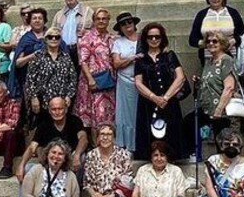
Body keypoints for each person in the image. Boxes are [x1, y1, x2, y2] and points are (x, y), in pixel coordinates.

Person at [134, 22, 188, 161]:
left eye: (157, 37)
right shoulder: (141, 60)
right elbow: (138, 83)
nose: (153, 40)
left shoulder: (169, 56)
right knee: (150, 135)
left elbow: (180, 77)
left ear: (162, 38)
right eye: (150, 37)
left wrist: (166, 97)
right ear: (145, 39)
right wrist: (154, 97)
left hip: (169, 103)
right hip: (148, 104)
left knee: (171, 133)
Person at [188, 0, 244, 66]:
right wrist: (208, 43)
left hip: (231, 58)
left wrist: (233, 41)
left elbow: (243, 34)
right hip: (208, 59)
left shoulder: (232, 13)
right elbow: (192, 39)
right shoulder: (201, 15)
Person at [75, 8, 116, 129]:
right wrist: (90, 79)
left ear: (108, 21)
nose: (101, 21)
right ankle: (94, 144)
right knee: (95, 115)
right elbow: (83, 60)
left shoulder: (111, 38)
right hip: (93, 81)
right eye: (98, 19)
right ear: (93, 21)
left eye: (104, 18)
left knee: (106, 114)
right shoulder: (88, 37)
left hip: (108, 82)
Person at [23, 27, 77, 116]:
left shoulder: (66, 57)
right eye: (50, 37)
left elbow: (73, 78)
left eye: (57, 37)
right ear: (45, 39)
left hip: (61, 101)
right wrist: (33, 97)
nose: (54, 39)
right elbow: (30, 79)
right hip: (42, 101)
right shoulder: (38, 56)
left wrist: (69, 95)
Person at [194, 31, 237, 138]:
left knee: (224, 143)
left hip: (222, 113)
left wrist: (219, 109)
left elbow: (229, 87)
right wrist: (199, 80)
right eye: (208, 41)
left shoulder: (226, 60)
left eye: (215, 41)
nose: (211, 43)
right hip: (209, 111)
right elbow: (212, 81)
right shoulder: (210, 61)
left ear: (222, 43)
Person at [111, 12, 142, 151]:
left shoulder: (143, 39)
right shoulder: (118, 43)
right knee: (125, 115)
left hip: (142, 82)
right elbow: (116, 63)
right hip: (124, 82)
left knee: (140, 114)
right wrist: (132, 58)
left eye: (129, 22)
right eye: (123, 24)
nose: (127, 25)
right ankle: (127, 146)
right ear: (120, 28)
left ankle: (141, 145)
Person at [8, 7, 48, 101]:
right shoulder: (25, 39)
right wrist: (31, 57)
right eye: (34, 18)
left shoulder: (52, 37)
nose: (37, 21)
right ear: (30, 21)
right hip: (29, 81)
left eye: (40, 18)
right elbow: (17, 63)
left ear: (45, 21)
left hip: (49, 81)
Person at [52, 0, 93, 71]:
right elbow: (52, 34)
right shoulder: (58, 15)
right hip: (63, 51)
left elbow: (95, 33)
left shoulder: (88, 12)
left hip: (80, 52)